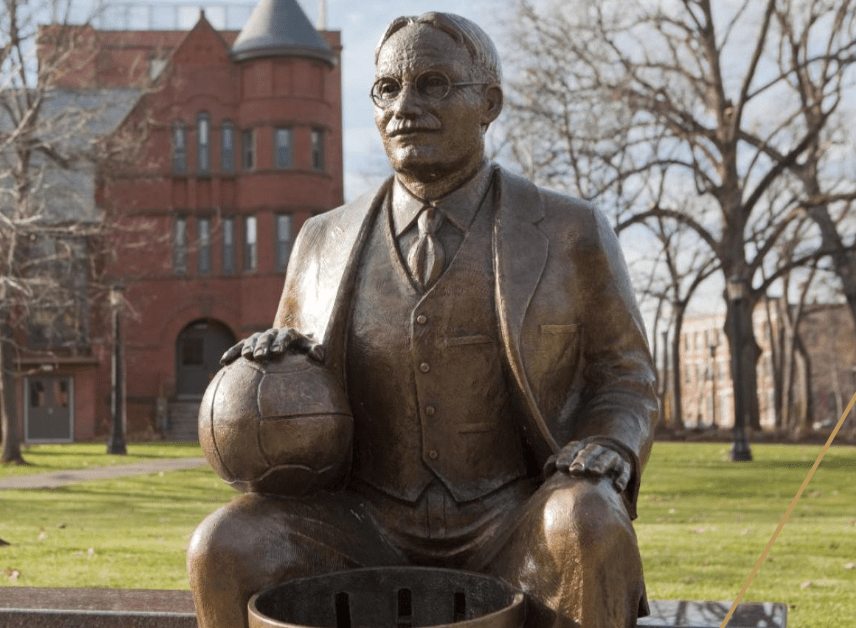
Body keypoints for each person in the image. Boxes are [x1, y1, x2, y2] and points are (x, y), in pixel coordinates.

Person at [188, 12, 658, 628]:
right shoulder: (320, 241)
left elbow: (626, 377)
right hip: (361, 523)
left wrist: (610, 444)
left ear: (489, 103)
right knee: (223, 546)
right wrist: (269, 371)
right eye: (388, 89)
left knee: (586, 522)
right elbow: (295, 399)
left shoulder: (572, 231)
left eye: (434, 84)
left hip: (516, 519)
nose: (405, 105)